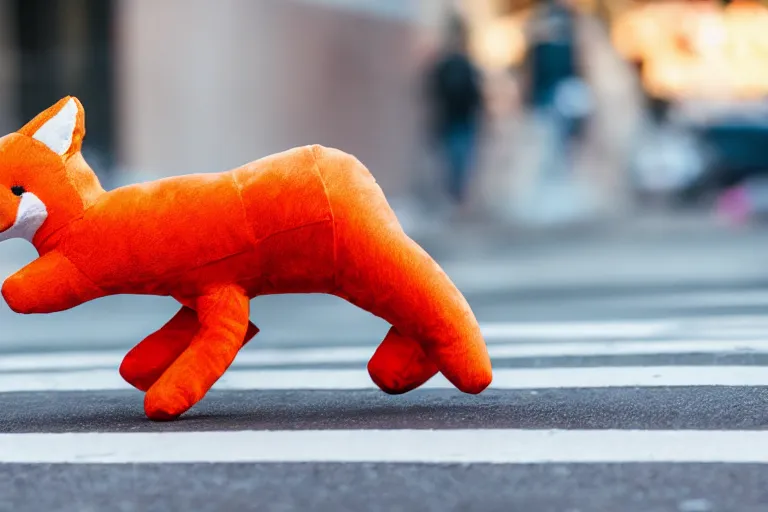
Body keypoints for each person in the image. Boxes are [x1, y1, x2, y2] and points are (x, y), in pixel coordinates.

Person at [424, 16, 485, 213]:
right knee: (455, 162)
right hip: (452, 121)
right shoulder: (447, 65)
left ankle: (457, 200)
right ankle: (454, 200)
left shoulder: (463, 65)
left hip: (462, 121)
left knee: (460, 163)